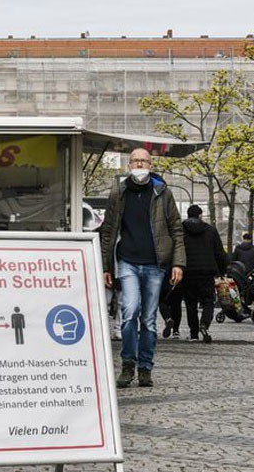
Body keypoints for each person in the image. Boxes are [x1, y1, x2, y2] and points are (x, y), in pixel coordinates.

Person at [98, 148, 185, 388]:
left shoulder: (162, 192)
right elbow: (108, 232)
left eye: (144, 161)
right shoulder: (119, 192)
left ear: (151, 164)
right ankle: (127, 364)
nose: (139, 164)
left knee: (148, 319)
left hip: (155, 264)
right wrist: (107, 266)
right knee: (130, 312)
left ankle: (145, 367)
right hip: (127, 261)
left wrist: (178, 262)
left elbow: (176, 229)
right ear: (129, 165)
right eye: (136, 161)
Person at [179, 204, 228, 343]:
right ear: (200, 215)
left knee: (191, 304)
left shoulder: (181, 230)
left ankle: (193, 334)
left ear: (188, 216)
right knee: (208, 301)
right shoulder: (211, 231)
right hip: (207, 273)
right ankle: (204, 324)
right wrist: (223, 270)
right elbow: (219, 253)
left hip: (188, 272)